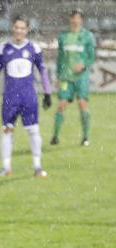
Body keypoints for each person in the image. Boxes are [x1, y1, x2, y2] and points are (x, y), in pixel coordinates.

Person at [0, 15, 52, 177]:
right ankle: (6, 168)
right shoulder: (3, 49)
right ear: (12, 28)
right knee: (7, 130)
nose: (19, 31)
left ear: (27, 30)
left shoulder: (34, 48)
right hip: (10, 97)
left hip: (28, 96)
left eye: (22, 28)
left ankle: (37, 166)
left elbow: (43, 71)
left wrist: (47, 92)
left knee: (33, 131)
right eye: (16, 27)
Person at [51, 9, 96, 146]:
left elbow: (91, 57)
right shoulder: (63, 36)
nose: (75, 20)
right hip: (66, 78)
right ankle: (55, 136)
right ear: (70, 19)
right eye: (73, 17)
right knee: (61, 105)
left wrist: (83, 65)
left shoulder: (88, 36)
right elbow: (60, 58)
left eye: (78, 17)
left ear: (81, 20)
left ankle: (85, 137)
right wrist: (58, 76)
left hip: (81, 77)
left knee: (82, 104)